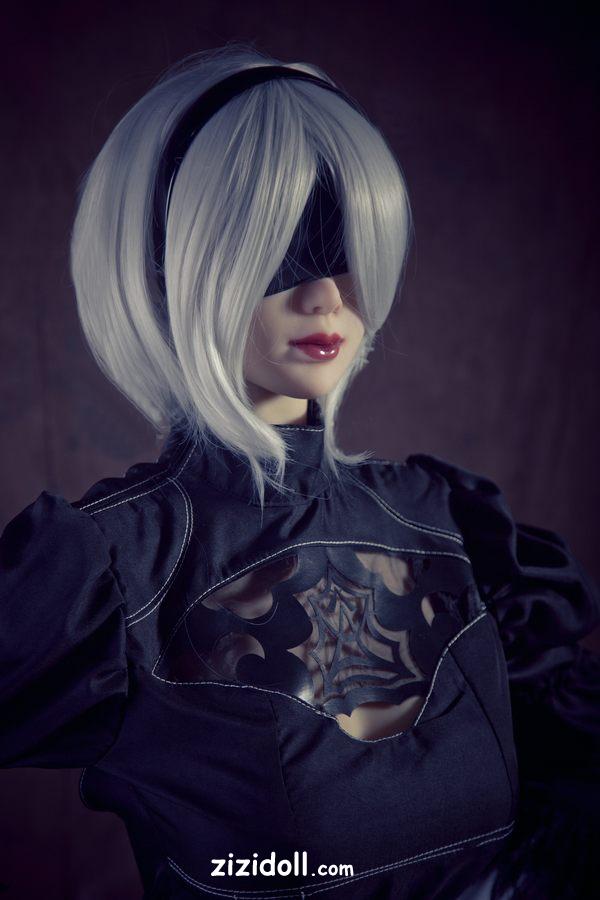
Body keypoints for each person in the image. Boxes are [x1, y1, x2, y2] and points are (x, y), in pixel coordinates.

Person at [1, 42, 598, 900]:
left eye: (344, 243)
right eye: (280, 250)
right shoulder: (111, 573)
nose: (325, 296)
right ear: (172, 266)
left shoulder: (447, 521)